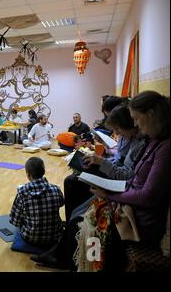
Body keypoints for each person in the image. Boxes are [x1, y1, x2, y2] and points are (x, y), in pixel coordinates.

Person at [32, 91, 170, 271]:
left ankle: (86, 264)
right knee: (77, 212)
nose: (135, 124)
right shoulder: (155, 141)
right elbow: (134, 178)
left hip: (138, 219)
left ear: (150, 114)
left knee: (83, 222)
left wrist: (110, 193)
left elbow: (147, 195)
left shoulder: (163, 148)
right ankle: (72, 257)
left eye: (136, 118)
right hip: (130, 204)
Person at [63, 104, 148, 221]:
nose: (117, 133)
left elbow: (127, 174)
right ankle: (70, 221)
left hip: (117, 180)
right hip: (115, 172)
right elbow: (120, 159)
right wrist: (100, 160)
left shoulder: (140, 143)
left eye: (117, 129)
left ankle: (71, 221)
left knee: (72, 183)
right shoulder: (134, 139)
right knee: (75, 177)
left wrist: (102, 161)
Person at [9, 157, 64, 248]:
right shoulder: (56, 189)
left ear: (28, 174)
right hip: (55, 236)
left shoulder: (22, 193)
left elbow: (15, 221)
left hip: (31, 238)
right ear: (43, 171)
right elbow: (61, 203)